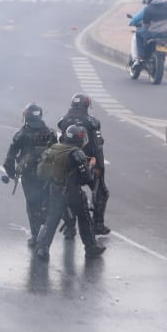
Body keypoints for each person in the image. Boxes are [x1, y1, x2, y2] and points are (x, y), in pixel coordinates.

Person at [33, 125, 105, 260]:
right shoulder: (77, 153)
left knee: (52, 219)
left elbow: (42, 173)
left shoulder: (54, 149)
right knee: (85, 218)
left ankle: (42, 248)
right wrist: (91, 166)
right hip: (73, 192)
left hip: (55, 190)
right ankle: (90, 247)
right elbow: (86, 178)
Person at [1, 104, 58, 247]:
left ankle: (35, 236)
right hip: (48, 174)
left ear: (26, 115)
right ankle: (45, 229)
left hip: (29, 176)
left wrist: (12, 174)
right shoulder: (51, 133)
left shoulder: (20, 135)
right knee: (47, 202)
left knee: (32, 205)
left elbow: (9, 159)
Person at [56, 94, 111, 235]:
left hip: (68, 163)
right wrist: (99, 167)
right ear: (87, 105)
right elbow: (98, 147)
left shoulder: (63, 121)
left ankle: (69, 226)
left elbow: (60, 143)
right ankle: (98, 224)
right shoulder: (92, 122)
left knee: (65, 193)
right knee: (101, 192)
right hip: (88, 163)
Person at [128, 0, 167, 76]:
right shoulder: (166, 5)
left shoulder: (148, 9)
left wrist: (132, 22)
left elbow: (142, 22)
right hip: (164, 33)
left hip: (152, 33)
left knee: (138, 34)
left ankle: (140, 57)